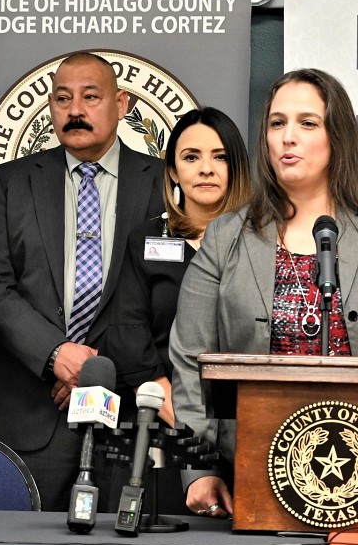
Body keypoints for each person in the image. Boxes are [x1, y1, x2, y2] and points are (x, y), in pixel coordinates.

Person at [170, 68, 358, 518]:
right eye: (276, 123)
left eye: (307, 123)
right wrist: (198, 467)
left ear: (336, 137)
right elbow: (191, 360)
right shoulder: (227, 235)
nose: (288, 137)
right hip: (253, 467)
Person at [0, 52, 164, 511]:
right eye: (62, 99)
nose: (75, 110)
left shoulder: (163, 182)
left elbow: (167, 298)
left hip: (122, 417)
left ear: (122, 103)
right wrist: (57, 355)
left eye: (90, 97)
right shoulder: (12, 181)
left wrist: (95, 367)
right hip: (24, 414)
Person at [100, 107, 252, 514]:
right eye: (191, 157)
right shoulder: (147, 238)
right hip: (164, 425)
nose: (206, 168)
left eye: (219, 157)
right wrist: (189, 426)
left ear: (237, 168)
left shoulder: (267, 242)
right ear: (171, 171)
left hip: (250, 429)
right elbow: (128, 336)